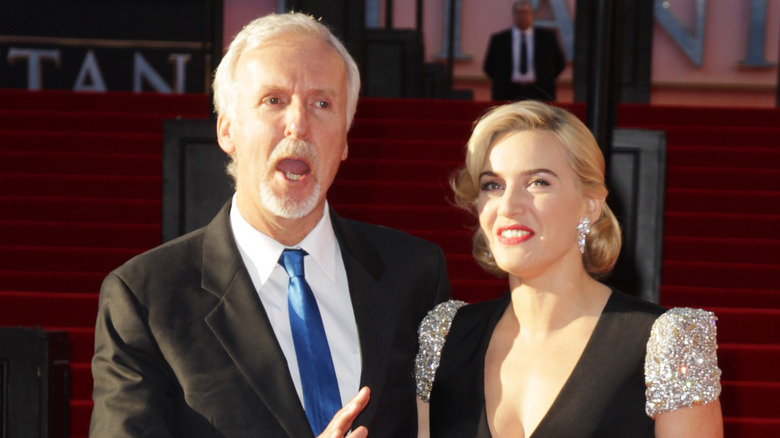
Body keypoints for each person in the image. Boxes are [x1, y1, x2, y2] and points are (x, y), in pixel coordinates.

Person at [89, 12, 451, 438]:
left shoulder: (415, 274)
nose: (298, 124)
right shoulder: (145, 298)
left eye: (322, 103)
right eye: (274, 100)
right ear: (227, 129)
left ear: (347, 138)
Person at [414, 101, 723, 437]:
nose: (509, 205)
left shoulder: (665, 342)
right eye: (493, 185)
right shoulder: (446, 336)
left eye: (538, 183)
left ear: (589, 205)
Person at [483, 1, 566, 101]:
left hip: (540, 92)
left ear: (532, 15)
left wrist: (545, 79)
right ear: (513, 14)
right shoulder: (500, 40)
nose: (523, 16)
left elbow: (559, 63)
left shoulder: (547, 38)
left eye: (526, 12)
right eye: (519, 12)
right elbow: (489, 67)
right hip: (507, 93)